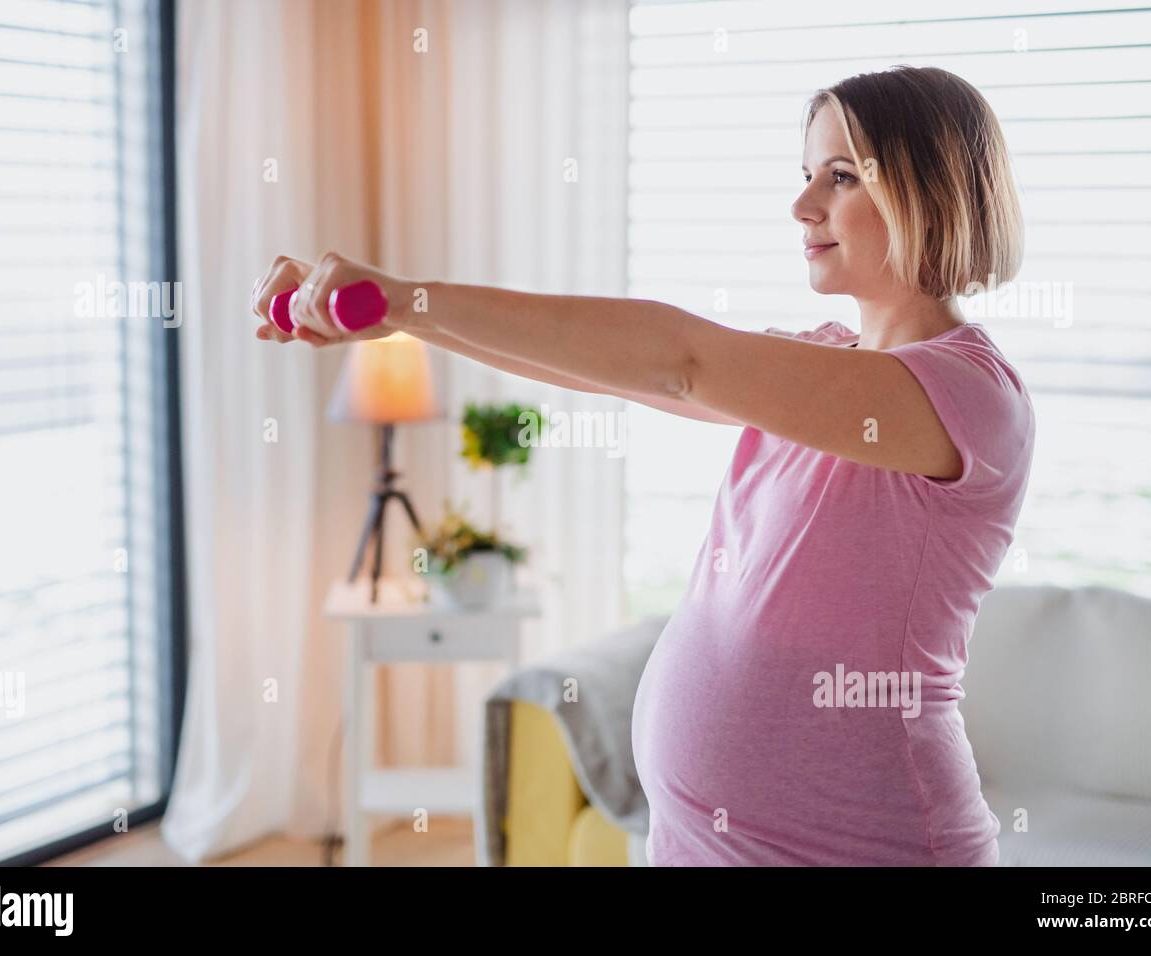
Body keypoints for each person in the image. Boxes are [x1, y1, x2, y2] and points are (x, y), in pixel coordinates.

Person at [252, 64, 1035, 867]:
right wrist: (393, 316)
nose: (802, 207)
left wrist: (406, 298)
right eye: (806, 176)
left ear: (930, 192)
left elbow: (681, 359)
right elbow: (606, 366)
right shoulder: (823, 364)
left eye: (841, 177)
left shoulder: (967, 392)